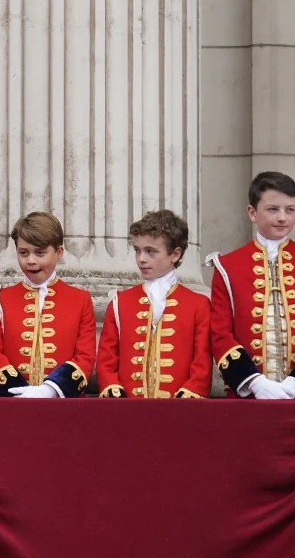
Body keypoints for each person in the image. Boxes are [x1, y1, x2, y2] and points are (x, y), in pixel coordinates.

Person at [97, 209, 211, 398]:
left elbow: (202, 363)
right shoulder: (119, 303)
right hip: (128, 412)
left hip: (178, 414)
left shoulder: (198, 305)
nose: (141, 258)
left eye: (150, 251)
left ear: (175, 254)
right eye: (137, 250)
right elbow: (106, 361)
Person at [0, 211, 95, 397]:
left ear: (58, 253)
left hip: (65, 406)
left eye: (40, 252)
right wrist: (19, 392)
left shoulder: (80, 299)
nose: (31, 261)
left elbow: (85, 356)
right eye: (23, 253)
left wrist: (51, 390)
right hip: (12, 404)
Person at [207, 171, 295, 399]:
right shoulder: (227, 267)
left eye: (290, 210)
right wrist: (254, 382)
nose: (283, 217)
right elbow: (220, 334)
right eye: (273, 209)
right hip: (247, 399)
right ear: (252, 213)